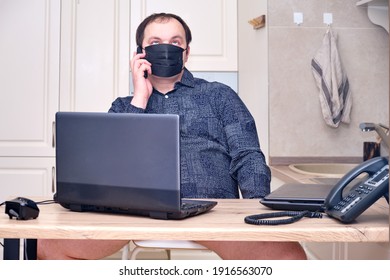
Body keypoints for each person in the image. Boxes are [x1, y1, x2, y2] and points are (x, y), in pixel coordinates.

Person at [37, 13, 306, 260]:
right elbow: (113, 168)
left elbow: (247, 155)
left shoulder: (219, 95)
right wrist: (140, 97)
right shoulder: (122, 107)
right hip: (132, 215)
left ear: (186, 53)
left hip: (212, 213)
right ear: (140, 53)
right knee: (44, 246)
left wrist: (254, 210)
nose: (166, 47)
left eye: (175, 42)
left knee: (288, 257)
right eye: (155, 42)